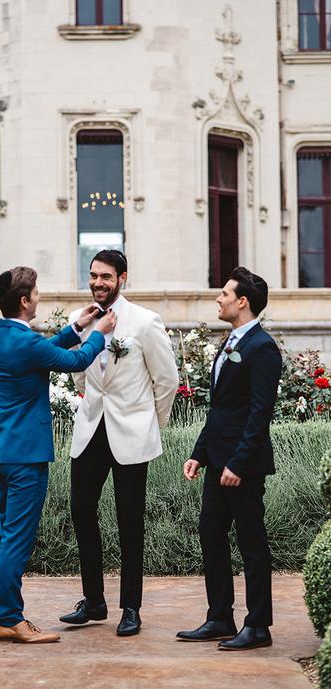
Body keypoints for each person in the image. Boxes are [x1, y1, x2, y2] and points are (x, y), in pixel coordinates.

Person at [0, 265, 116, 644]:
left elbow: (42, 353)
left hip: (1, 449)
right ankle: (11, 618)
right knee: (17, 539)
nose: (40, 296)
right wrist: (99, 335)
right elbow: (73, 362)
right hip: (25, 454)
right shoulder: (26, 344)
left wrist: (76, 329)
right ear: (25, 301)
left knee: (4, 534)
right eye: (37, 292)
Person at [59, 250, 179, 637]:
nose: (97, 283)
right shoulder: (80, 321)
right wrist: (88, 399)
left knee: (129, 522)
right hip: (91, 428)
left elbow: (168, 382)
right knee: (81, 512)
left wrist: (151, 425)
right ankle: (93, 601)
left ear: (122, 278)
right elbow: (79, 372)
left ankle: (131, 607)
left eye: (106, 277)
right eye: (93, 275)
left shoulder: (145, 322)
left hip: (132, 434)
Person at [177, 266, 282, 650]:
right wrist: (199, 454)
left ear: (243, 301)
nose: (218, 299)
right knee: (210, 534)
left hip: (244, 466)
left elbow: (259, 413)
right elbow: (220, 409)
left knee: (252, 541)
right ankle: (220, 617)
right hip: (218, 462)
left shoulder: (262, 347)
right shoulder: (230, 343)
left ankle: (258, 625)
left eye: (224, 293)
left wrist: (238, 462)